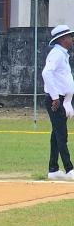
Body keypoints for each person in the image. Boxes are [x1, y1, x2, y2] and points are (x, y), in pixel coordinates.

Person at [41, 24, 74, 180]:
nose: (72, 39)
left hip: (61, 99)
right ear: (62, 39)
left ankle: (53, 170)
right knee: (61, 134)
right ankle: (69, 169)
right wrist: (55, 97)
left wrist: (67, 100)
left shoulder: (63, 54)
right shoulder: (57, 54)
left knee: (56, 134)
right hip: (55, 100)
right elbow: (46, 73)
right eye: (69, 37)